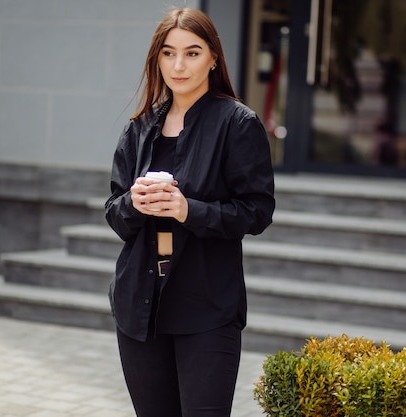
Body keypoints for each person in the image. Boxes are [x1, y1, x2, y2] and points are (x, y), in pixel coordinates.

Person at [104, 7, 275, 417]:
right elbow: (114, 211)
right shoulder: (140, 127)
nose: (178, 65)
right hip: (139, 302)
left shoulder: (238, 123)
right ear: (156, 59)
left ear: (214, 57)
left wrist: (188, 210)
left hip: (206, 302)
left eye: (193, 53)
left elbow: (257, 211)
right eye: (168, 53)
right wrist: (133, 203)